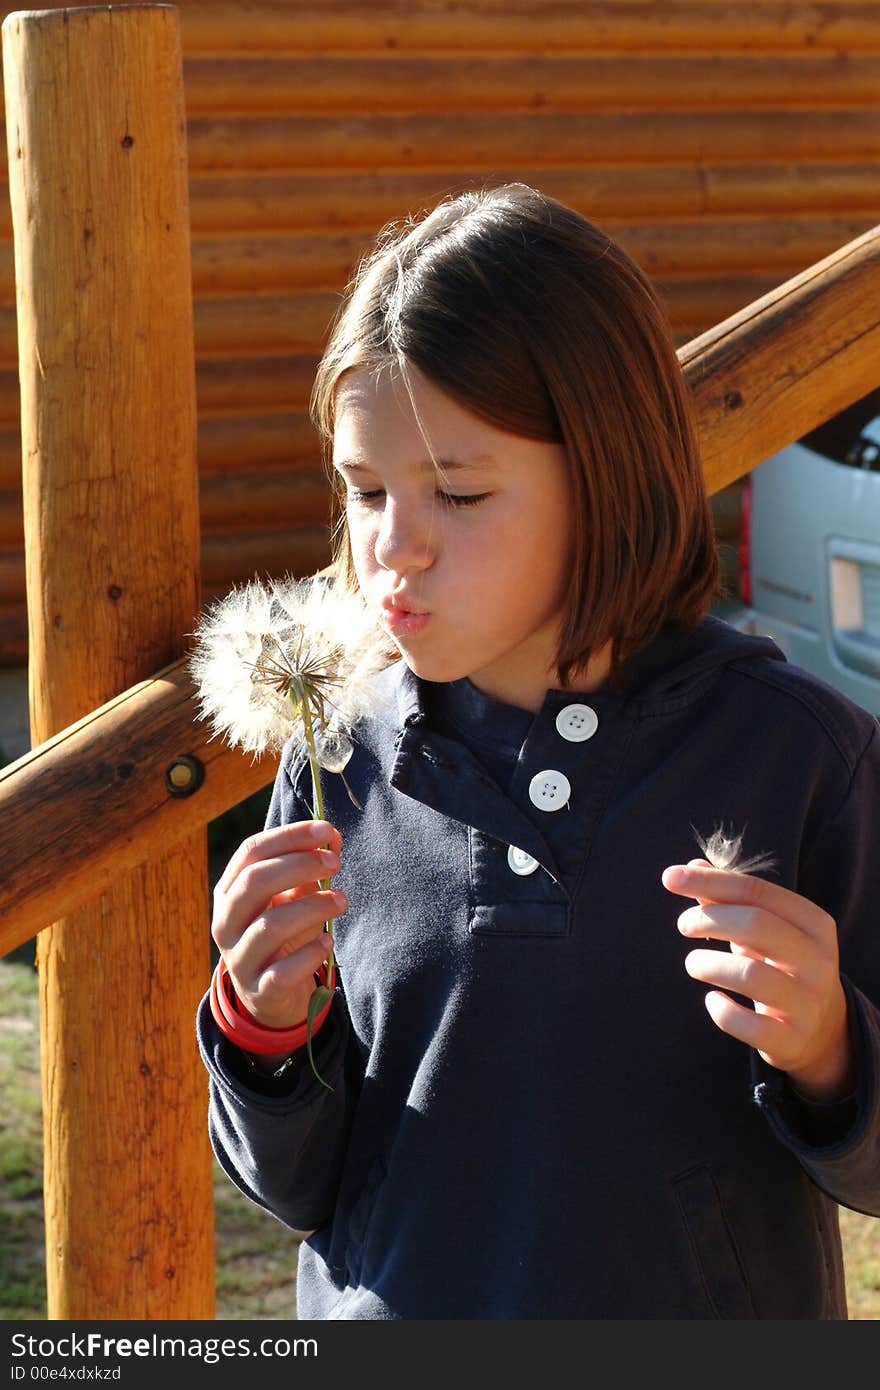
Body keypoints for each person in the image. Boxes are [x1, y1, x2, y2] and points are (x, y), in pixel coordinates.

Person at [197, 183, 880, 1320]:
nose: (391, 546)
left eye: (457, 492)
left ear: (608, 471)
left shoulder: (796, 755)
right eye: (363, 490)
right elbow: (297, 1186)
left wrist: (827, 1052)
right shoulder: (337, 760)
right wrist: (263, 1034)